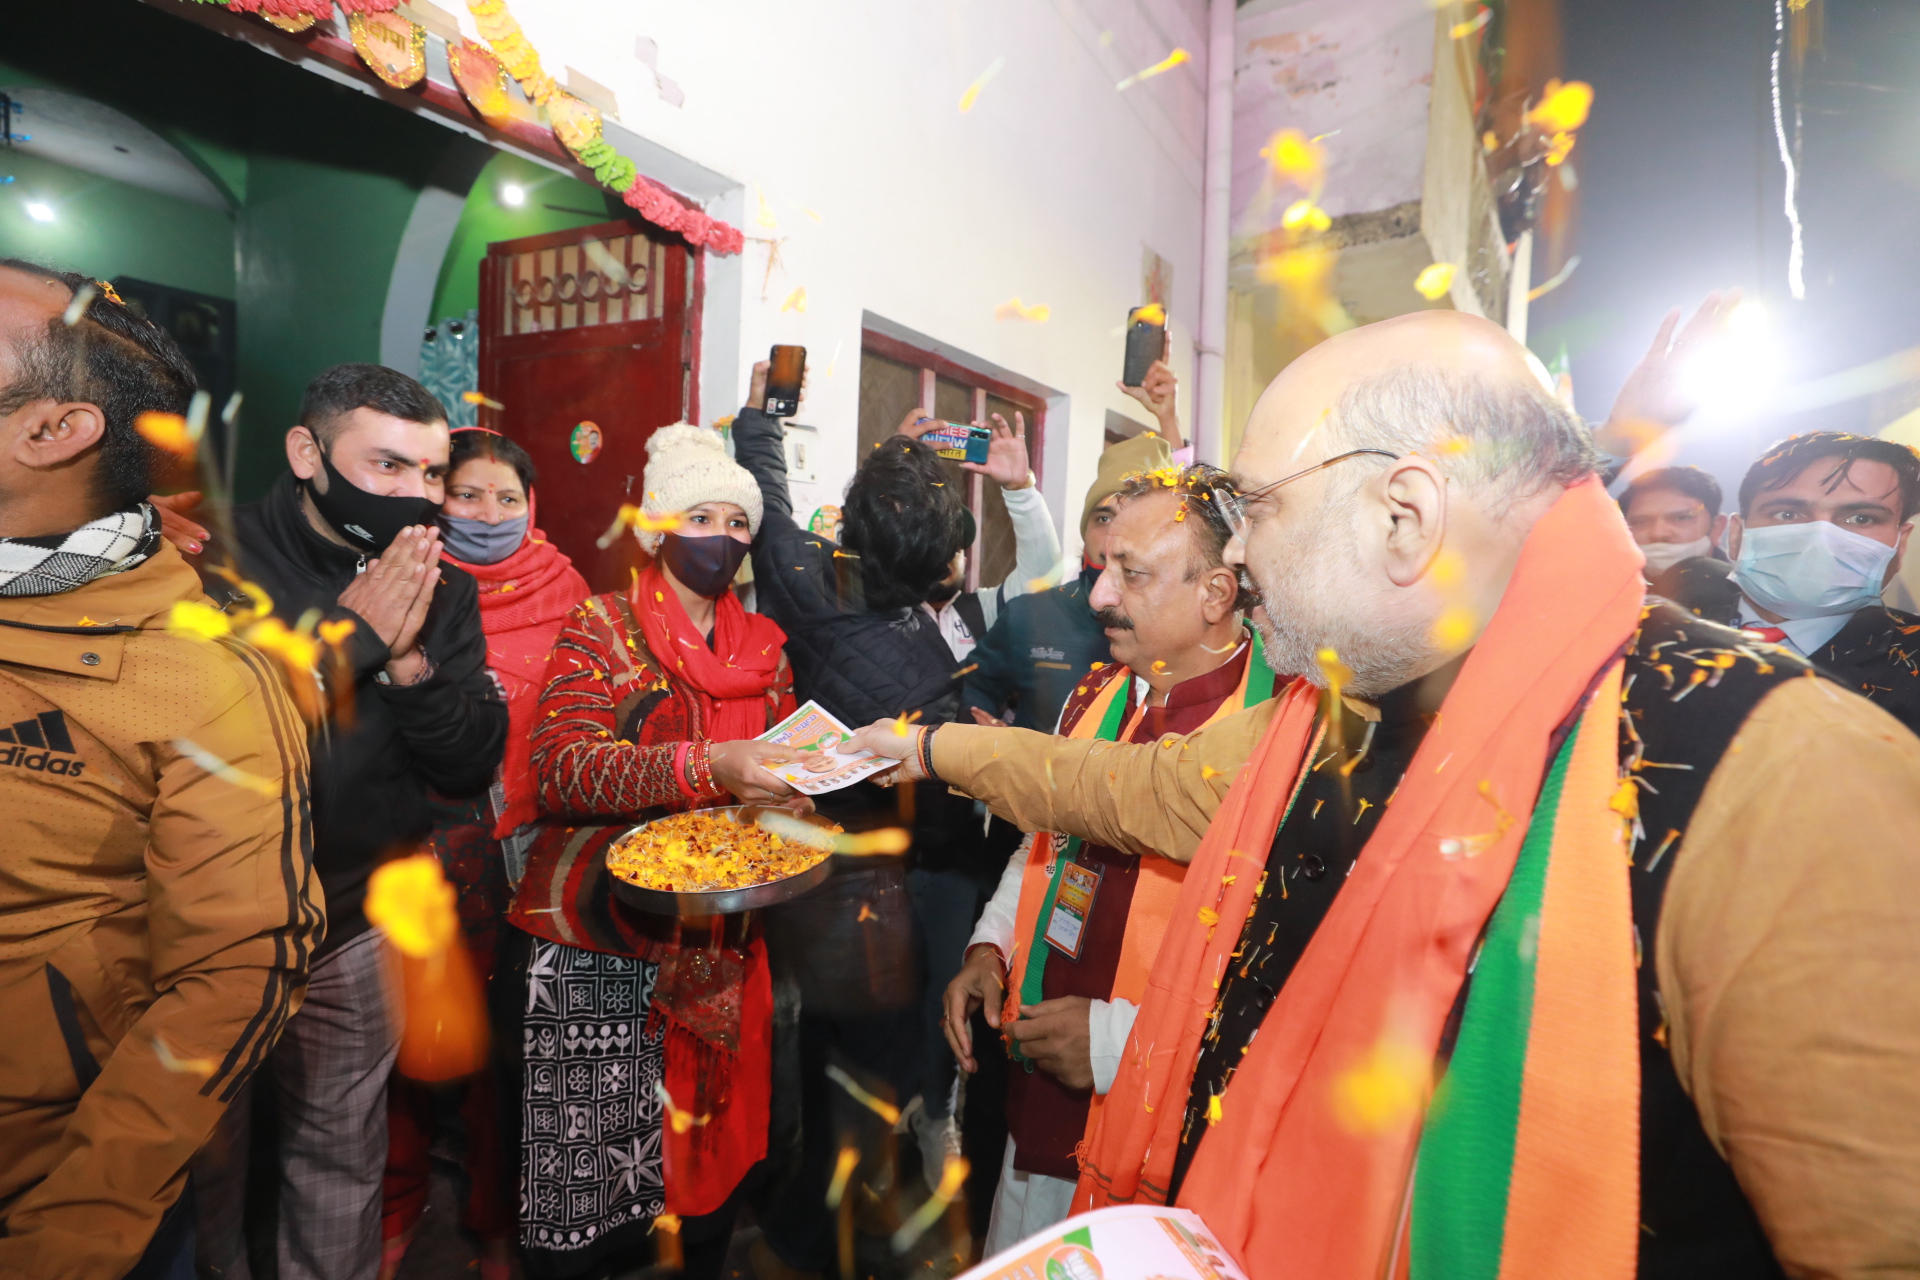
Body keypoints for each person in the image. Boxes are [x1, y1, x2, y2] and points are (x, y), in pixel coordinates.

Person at [856, 310, 1920, 1278]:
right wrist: (926, 747)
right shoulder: (1346, 710)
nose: (1234, 554)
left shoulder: (1776, 773)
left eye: (1255, 507)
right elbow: (1127, 785)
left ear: (1407, 516)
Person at [0, 259, 319, 1278]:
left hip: (43, 1194)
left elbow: (234, 969)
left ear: (53, 430)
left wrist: (76, 1237)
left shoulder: (200, 679)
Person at [198, 364, 508, 1280]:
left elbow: (467, 760)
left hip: (353, 919)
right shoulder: (208, 557)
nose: (414, 498)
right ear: (307, 454)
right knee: (203, 1169)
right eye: (385, 467)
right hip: (209, 928)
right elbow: (204, 736)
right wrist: (351, 638)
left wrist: (408, 665)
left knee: (338, 1155)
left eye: (428, 475)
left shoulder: (441, 588)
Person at [947, 463, 1277, 1251]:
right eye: (1103, 570)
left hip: (1160, 1119)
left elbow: (1279, 974)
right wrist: (993, 943)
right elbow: (1045, 831)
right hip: (1037, 1084)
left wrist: (1116, 1041)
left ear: (1217, 595)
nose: (1098, 597)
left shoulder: (1271, 730)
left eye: (1131, 574)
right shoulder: (1100, 692)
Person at [500, 422, 802, 1280]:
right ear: (661, 526)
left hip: (723, 943)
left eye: (738, 522)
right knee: (593, 1208)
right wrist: (709, 765)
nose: (724, 537)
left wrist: (796, 790)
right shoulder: (601, 627)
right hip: (597, 940)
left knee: (705, 1192)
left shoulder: (767, 649)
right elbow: (560, 769)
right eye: (701, 517)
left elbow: (774, 763)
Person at [731, 378, 975, 1276]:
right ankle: (821, 1240)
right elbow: (946, 815)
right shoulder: (928, 665)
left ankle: (809, 1221)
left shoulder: (802, 580)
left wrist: (763, 414)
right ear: (941, 567)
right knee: (872, 1074)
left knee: (820, 1055)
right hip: (873, 891)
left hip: (802, 871)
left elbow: (769, 494)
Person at [379, 427, 590, 1279]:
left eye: (508, 499)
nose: (488, 514)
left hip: (532, 858)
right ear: (434, 497)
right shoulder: (398, 585)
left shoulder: (569, 589)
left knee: (507, 1060)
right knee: (406, 1050)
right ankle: (393, 1209)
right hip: (418, 847)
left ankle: (497, 1222)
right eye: (467, 495)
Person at [964, 431, 1172, 733]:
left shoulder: (1188, 623)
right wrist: (992, 747)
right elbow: (975, 687)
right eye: (1103, 518)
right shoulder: (1032, 615)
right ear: (1084, 529)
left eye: (1136, 517)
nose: (1116, 534)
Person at [1720, 431, 1920, 731]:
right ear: (1737, 535)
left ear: (1900, 544)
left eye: (1860, 519)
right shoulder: (1654, 632)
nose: (1820, 540)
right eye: (1787, 514)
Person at [1618, 464, 1735, 609]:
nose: (1658, 533)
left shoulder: (1751, 598)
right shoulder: (1607, 600)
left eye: (1681, 518)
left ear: (1716, 528)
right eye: (1639, 522)